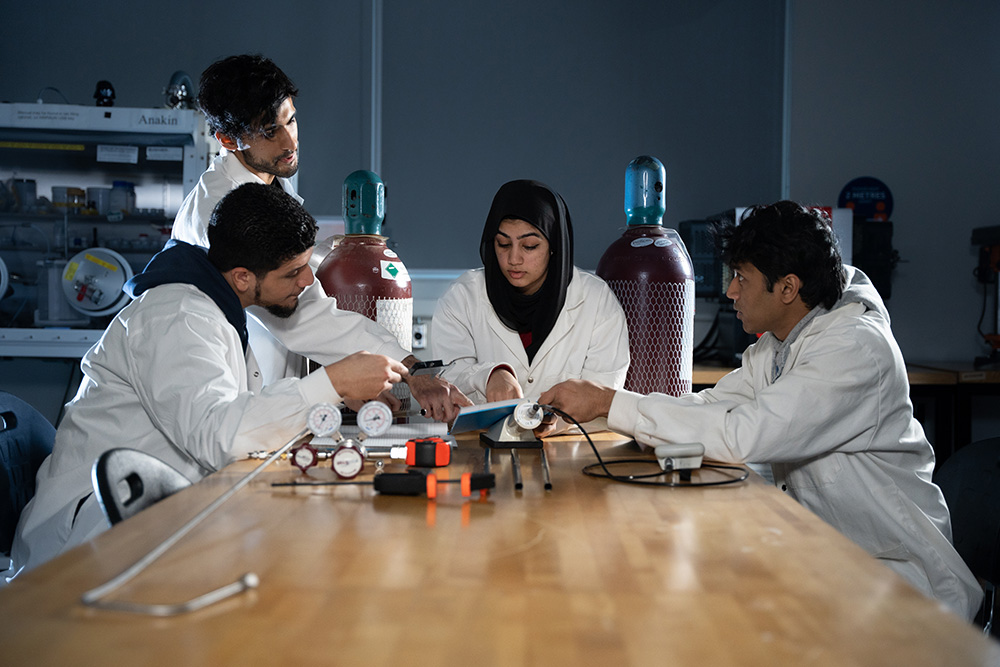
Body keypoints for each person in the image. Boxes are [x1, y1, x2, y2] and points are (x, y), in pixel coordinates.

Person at [539, 200, 983, 621]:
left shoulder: (852, 348)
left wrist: (608, 401)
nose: (730, 290)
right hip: (829, 556)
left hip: (898, 579)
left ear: (788, 287)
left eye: (741, 278)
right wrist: (602, 413)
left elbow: (743, 435)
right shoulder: (779, 344)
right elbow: (712, 405)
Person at [10, 184, 407, 576]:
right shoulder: (176, 318)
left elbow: (229, 410)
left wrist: (334, 396)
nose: (307, 282)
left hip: (164, 510)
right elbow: (218, 436)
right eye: (293, 273)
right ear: (242, 277)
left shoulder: (214, 306)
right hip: (98, 536)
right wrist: (334, 383)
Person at [172, 53, 468, 420]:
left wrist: (344, 387)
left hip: (279, 397)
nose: (289, 141)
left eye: (291, 120)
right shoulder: (218, 211)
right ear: (227, 139)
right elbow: (303, 315)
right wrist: (412, 371)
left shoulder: (272, 180)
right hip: (233, 405)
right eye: (269, 131)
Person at [431, 179, 629, 412]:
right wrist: (489, 376)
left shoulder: (596, 301)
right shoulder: (463, 298)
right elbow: (447, 376)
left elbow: (602, 396)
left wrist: (556, 422)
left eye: (530, 246)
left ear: (554, 245)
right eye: (503, 244)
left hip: (569, 445)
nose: (514, 259)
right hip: (481, 443)